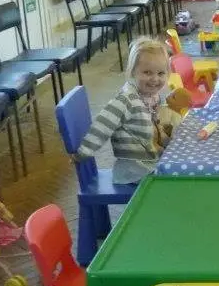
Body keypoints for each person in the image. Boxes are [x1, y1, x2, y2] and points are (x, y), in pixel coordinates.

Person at [76, 38, 182, 184]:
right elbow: (102, 125)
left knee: (185, 165)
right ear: (133, 71)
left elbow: (157, 123)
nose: (154, 79)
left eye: (161, 73)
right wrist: (83, 152)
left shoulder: (152, 95)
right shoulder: (126, 101)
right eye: (147, 72)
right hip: (134, 170)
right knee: (180, 177)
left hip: (151, 160)